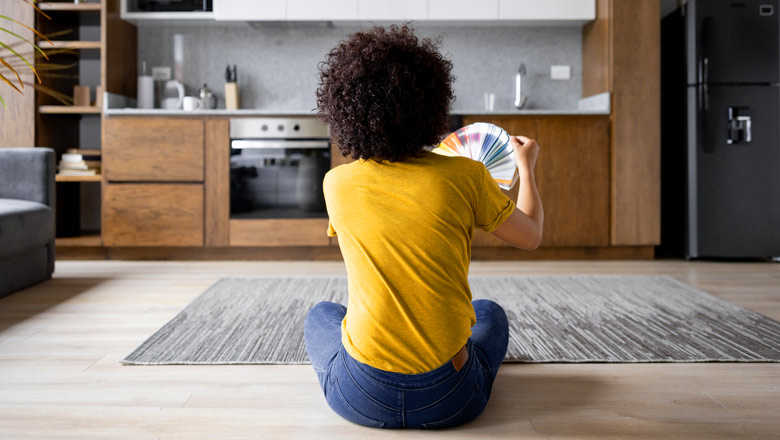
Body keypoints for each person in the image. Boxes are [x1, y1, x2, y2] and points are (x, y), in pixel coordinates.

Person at [304, 24, 543, 429]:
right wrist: (527, 168)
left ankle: (344, 376)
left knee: (322, 314)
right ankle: (473, 375)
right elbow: (531, 236)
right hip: (450, 401)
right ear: (433, 104)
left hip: (361, 398)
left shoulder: (337, 183)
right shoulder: (466, 176)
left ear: (344, 110)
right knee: (489, 313)